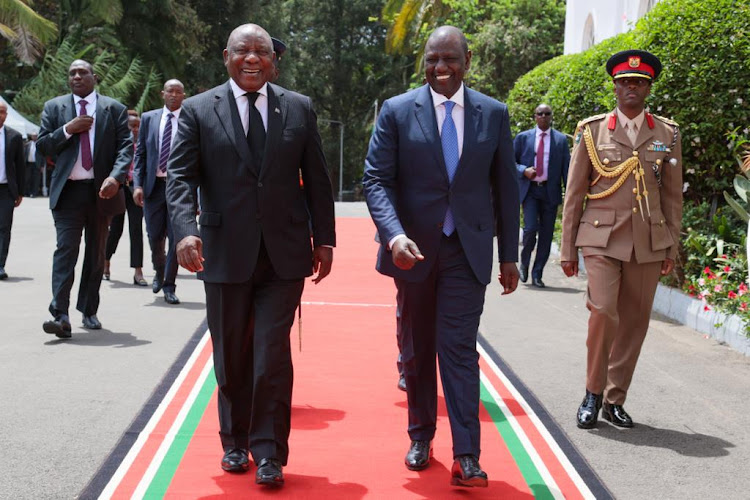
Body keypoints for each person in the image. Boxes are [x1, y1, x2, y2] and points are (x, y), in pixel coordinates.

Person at [166, 24, 336, 487]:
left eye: (263, 51)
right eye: (244, 50)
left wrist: (325, 238)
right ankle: (234, 442)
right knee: (232, 357)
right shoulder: (199, 111)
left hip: (284, 257)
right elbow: (179, 178)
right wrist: (184, 231)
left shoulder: (298, 108)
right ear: (227, 56)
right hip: (222, 254)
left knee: (270, 356)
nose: (253, 58)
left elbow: (317, 179)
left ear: (274, 60)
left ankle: (269, 453)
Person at [363, 26, 519, 488]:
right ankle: (420, 436)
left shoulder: (493, 113)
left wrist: (508, 254)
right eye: (433, 59)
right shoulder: (396, 111)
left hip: (466, 252)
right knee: (416, 350)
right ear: (424, 61)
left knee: (458, 350)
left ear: (467, 59)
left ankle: (467, 455)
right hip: (411, 253)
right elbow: (376, 181)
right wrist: (393, 236)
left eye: (450, 59)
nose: (441, 68)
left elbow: (505, 191)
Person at [560, 50, 682, 429]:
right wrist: (567, 249)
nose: (632, 87)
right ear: (615, 86)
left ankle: (615, 398)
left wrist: (670, 248)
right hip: (600, 238)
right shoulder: (593, 130)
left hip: (648, 239)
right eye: (626, 82)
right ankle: (593, 392)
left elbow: (672, 197)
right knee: (603, 311)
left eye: (640, 82)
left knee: (634, 321)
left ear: (648, 88)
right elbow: (575, 193)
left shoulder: (667, 133)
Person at [37, 59, 131, 337]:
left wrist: (116, 177)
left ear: (94, 76)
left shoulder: (114, 109)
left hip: (101, 191)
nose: (76, 76)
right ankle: (60, 313)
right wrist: (68, 129)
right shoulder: (54, 108)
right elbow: (43, 145)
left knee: (96, 253)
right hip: (68, 193)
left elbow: (125, 147)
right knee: (66, 250)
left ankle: (89, 310)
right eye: (72, 73)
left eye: (82, 72)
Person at [133, 80, 185, 304]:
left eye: (178, 92)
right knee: (155, 237)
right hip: (154, 187)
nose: (174, 95)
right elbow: (140, 155)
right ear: (162, 94)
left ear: (183, 95)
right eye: (170, 91)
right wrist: (137, 185)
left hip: (180, 188)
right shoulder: (148, 118)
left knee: (175, 238)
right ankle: (159, 271)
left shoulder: (190, 119)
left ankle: (169, 285)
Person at [515, 104, 570, 288]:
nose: (544, 117)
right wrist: (524, 170)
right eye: (540, 114)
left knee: (546, 235)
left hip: (550, 192)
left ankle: (537, 273)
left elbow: (566, 169)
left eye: (547, 114)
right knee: (530, 230)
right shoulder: (523, 138)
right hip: (530, 191)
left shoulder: (560, 140)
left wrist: (569, 193)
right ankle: (524, 262)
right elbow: (509, 162)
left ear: (551, 116)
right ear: (535, 116)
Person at [104, 111, 146, 285]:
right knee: (115, 229)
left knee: (136, 230)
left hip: (136, 191)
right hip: (120, 190)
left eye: (138, 126)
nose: (135, 130)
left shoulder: (144, 145)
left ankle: (138, 271)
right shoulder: (117, 146)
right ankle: (105, 262)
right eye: (132, 126)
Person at [0, 102, 25, 280]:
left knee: (4, 228)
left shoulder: (14, 136)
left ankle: (0, 265)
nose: (1, 115)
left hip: (6, 190)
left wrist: (20, 191)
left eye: (3, 112)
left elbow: (20, 166)